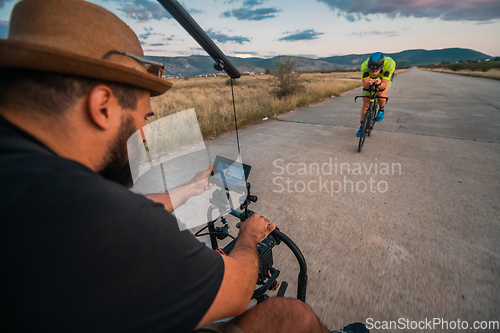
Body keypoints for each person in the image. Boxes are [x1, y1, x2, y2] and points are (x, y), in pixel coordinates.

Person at [0, 0, 331, 332]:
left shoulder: (28, 174)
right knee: (293, 317)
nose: (144, 135)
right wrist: (249, 234)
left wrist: (188, 189)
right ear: (102, 107)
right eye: (144, 118)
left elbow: (123, 208)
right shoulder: (100, 218)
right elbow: (234, 291)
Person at [356, 52, 396, 137]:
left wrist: (379, 83)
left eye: (376, 69)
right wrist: (369, 83)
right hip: (370, 79)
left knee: (381, 93)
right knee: (366, 100)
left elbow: (383, 86)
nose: (374, 72)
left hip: (383, 78)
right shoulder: (364, 66)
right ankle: (361, 127)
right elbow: (365, 86)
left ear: (381, 66)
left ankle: (381, 109)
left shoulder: (390, 64)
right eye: (371, 69)